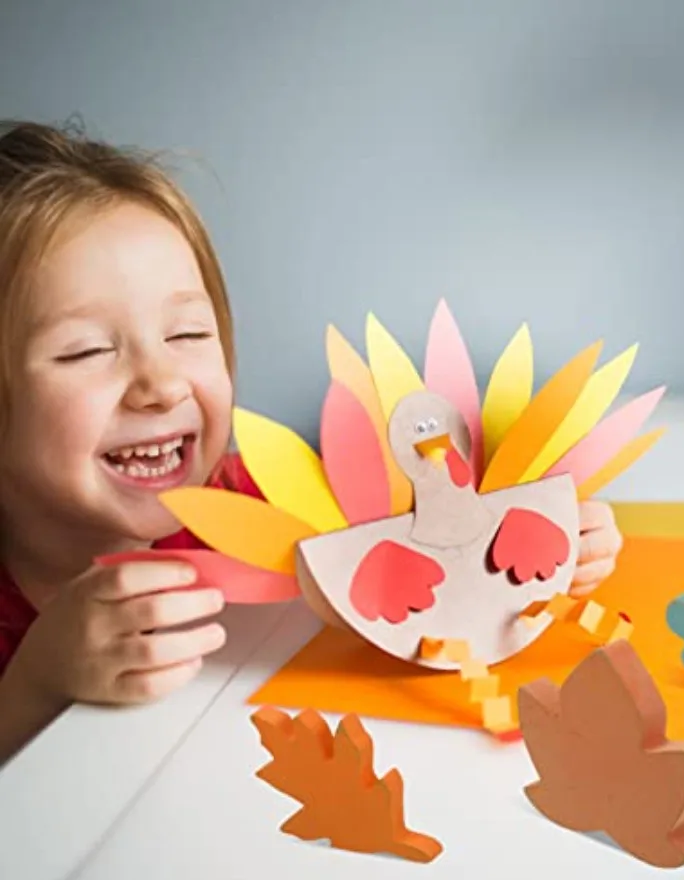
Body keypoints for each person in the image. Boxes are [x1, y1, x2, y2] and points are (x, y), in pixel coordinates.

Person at [0, 119, 623, 765]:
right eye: (86, 350)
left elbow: (439, 538)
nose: (160, 385)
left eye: (186, 335)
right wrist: (37, 683)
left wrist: (547, 542)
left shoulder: (269, 503)